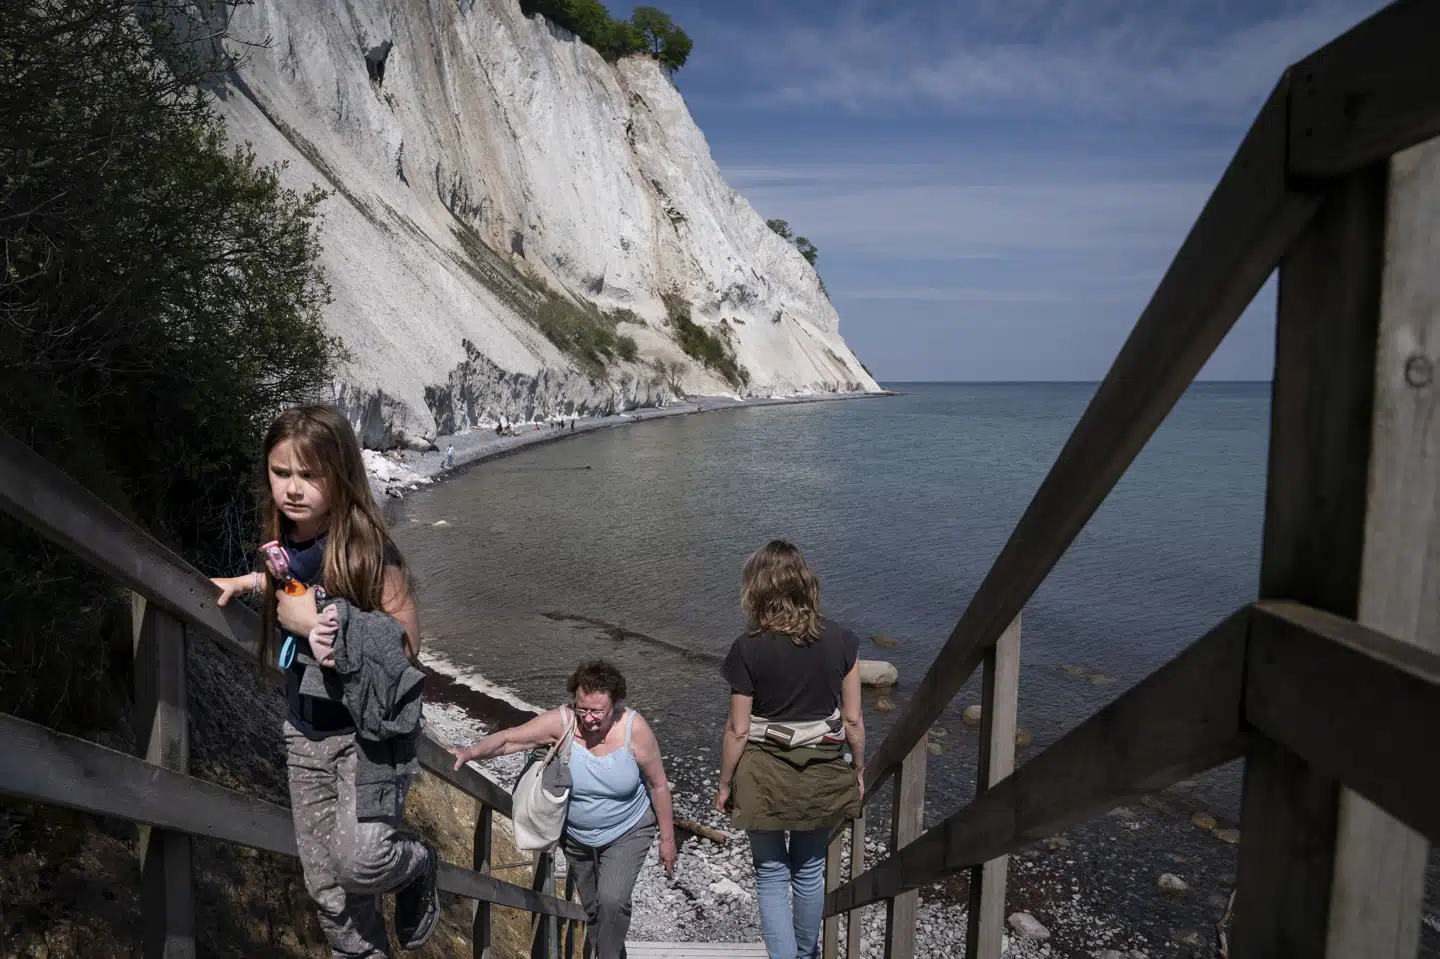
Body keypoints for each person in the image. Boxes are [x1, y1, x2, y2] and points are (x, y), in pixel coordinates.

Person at [210, 405, 439, 956]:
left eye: (310, 476)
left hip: (371, 738)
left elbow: (407, 650)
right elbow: (287, 579)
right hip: (305, 733)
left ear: (341, 475)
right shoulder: (287, 543)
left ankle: (419, 864)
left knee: (360, 862)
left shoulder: (371, 553)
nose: (293, 489)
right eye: (281, 473)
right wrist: (246, 582)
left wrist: (320, 628)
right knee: (328, 890)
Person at [449, 660, 676, 959]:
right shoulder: (563, 721)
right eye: (583, 709)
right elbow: (508, 740)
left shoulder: (635, 729)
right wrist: (469, 753)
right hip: (576, 836)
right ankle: (611, 950)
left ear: (615, 704)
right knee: (593, 909)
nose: (590, 719)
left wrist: (668, 840)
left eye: (598, 711)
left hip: (627, 830)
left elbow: (658, 785)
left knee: (612, 900)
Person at [713, 540, 864, 959]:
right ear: (805, 583)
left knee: (771, 875)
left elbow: (738, 730)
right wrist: (860, 769)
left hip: (761, 770)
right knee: (810, 871)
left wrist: (724, 785)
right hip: (821, 766)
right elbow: (852, 720)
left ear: (757, 588)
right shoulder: (843, 640)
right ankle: (805, 953)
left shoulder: (747, 648)